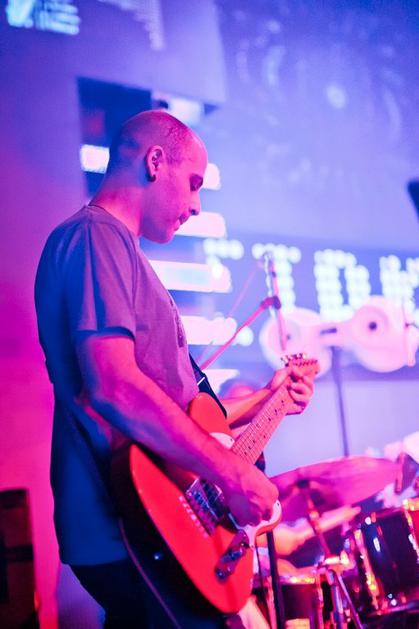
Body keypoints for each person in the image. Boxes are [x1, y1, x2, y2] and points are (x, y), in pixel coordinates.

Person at [35, 110, 315, 627]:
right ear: (154, 161)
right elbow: (114, 387)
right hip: (127, 520)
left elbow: (181, 411)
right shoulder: (96, 236)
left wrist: (268, 398)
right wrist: (231, 472)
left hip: (158, 518)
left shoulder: (123, 252)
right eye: (194, 183)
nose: (196, 205)